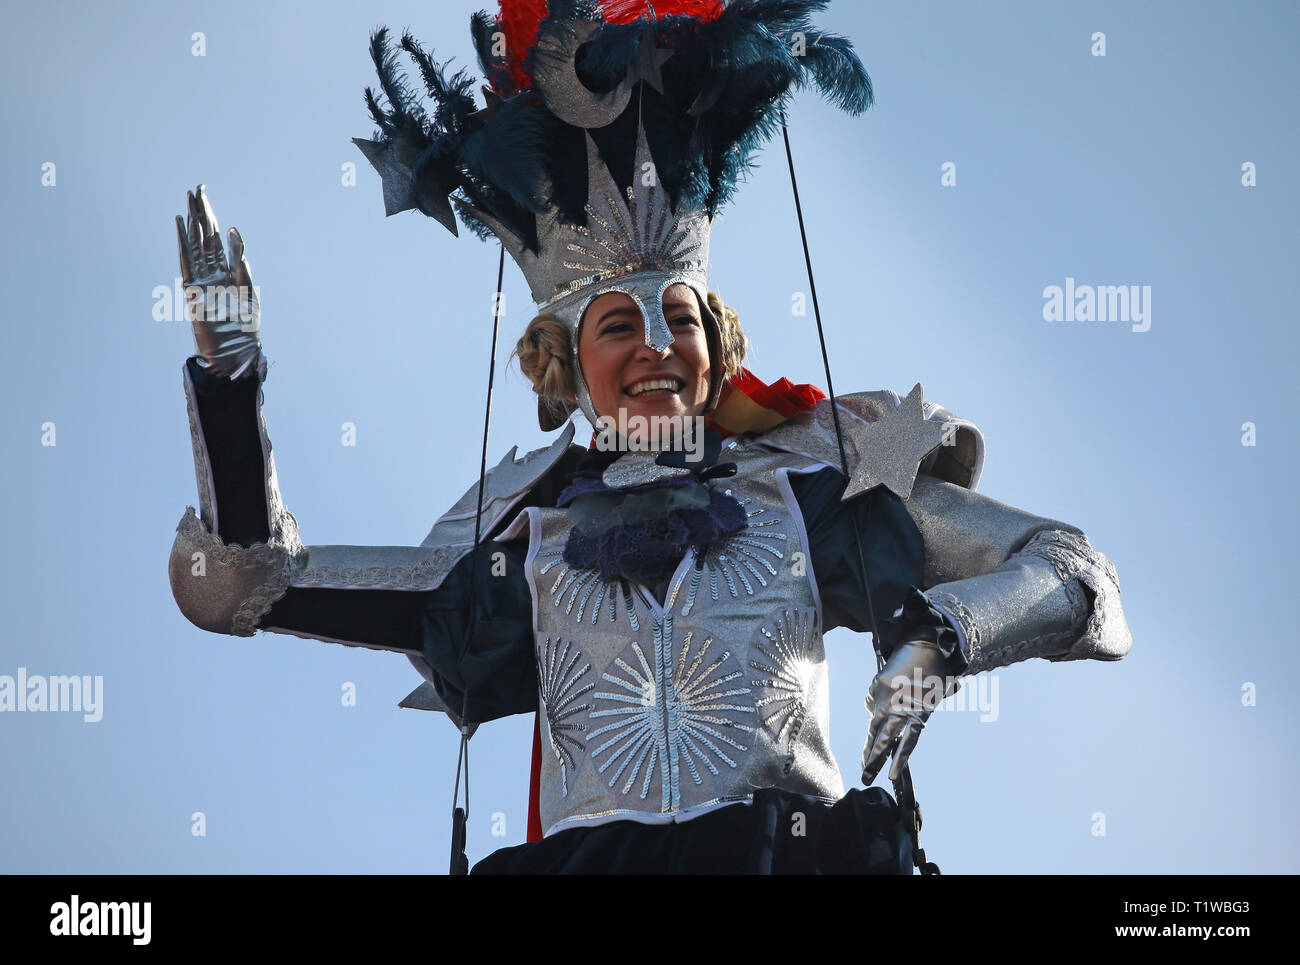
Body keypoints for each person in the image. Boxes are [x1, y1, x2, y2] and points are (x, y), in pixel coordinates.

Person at [168, 1, 1133, 874]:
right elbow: (245, 585)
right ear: (563, 362)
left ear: (719, 343)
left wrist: (944, 642)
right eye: (621, 328)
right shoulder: (520, 534)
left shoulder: (812, 488)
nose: (659, 348)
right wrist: (229, 382)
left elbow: (1076, 573)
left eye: (681, 320)